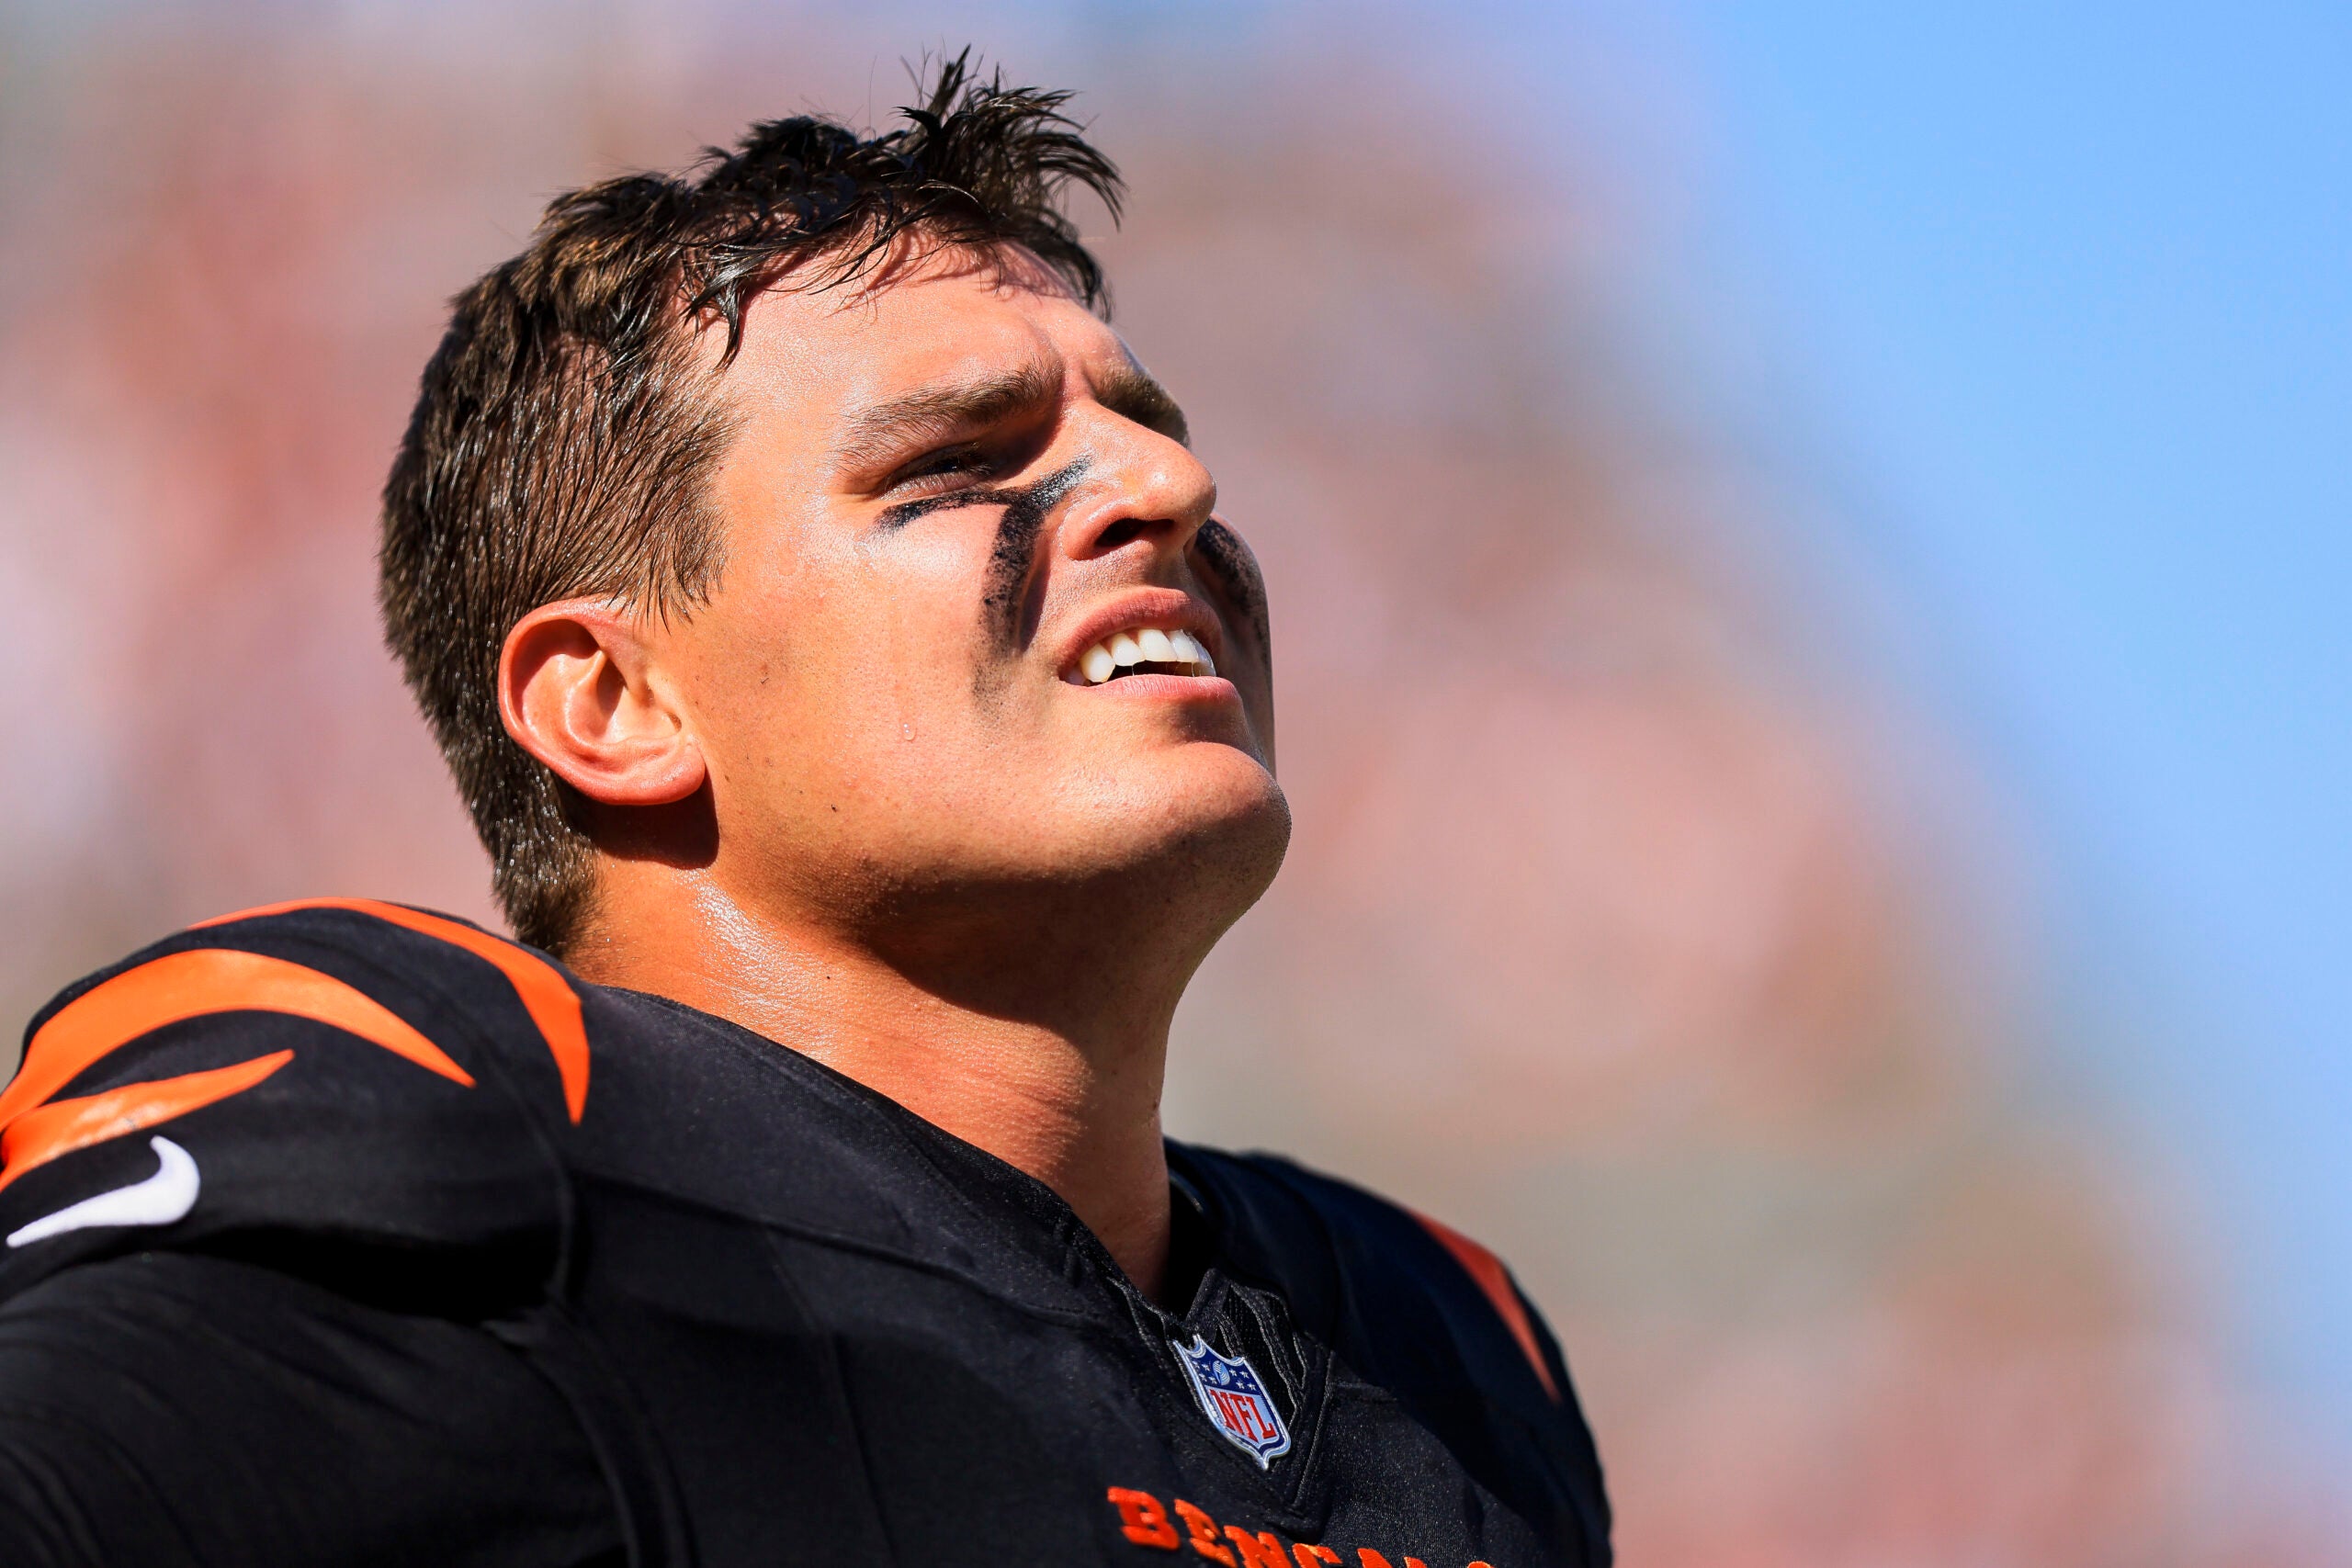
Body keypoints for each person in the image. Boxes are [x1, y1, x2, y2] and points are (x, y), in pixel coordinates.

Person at [0, 56, 1609, 1568]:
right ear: (617, 705)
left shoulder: (1455, 1337)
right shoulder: (458, 1136)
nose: (1169, 490)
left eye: (1152, 430)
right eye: (960, 462)